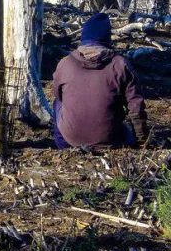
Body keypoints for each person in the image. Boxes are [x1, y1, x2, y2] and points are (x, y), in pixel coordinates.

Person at [52, 12, 148, 149]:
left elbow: (58, 94)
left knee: (58, 103)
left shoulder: (65, 63)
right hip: (110, 139)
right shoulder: (120, 65)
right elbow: (135, 107)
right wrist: (141, 139)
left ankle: (63, 146)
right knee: (126, 131)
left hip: (72, 137)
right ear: (107, 38)